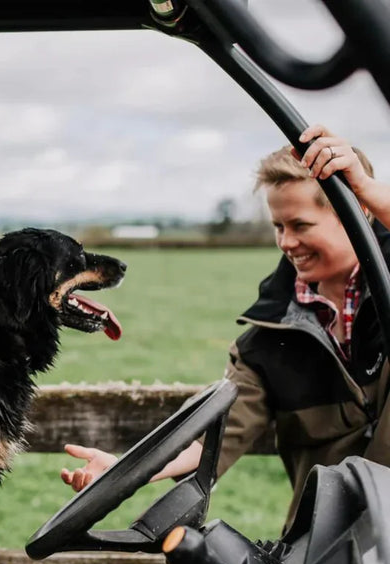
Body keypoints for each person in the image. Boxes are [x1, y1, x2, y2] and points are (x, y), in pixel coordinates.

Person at [60, 124, 390, 527]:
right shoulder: (268, 340)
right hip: (335, 552)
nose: (286, 242)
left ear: (361, 212)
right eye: (278, 227)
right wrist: (125, 469)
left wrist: (368, 190)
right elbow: (212, 435)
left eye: (300, 225)